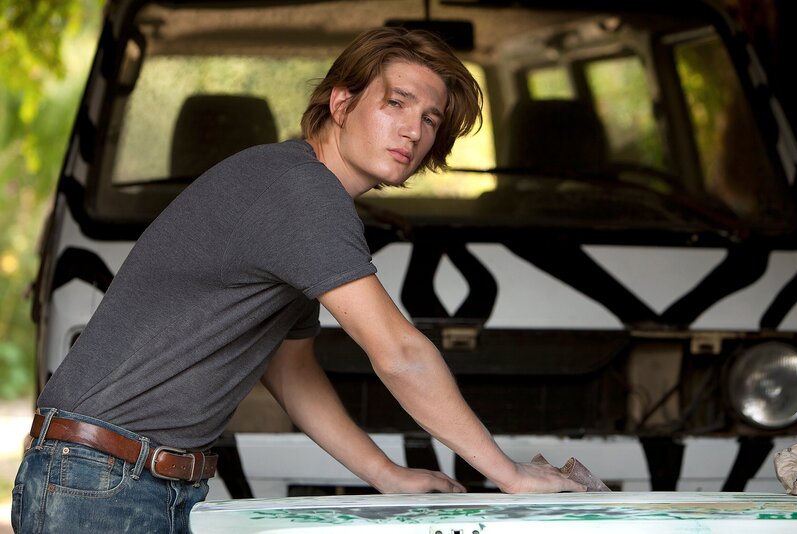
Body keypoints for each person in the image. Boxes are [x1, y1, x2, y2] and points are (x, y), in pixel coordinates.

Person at [12, 26, 585, 533]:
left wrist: (385, 473)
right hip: (101, 480)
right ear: (341, 102)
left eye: (430, 119)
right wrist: (509, 475)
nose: (413, 130)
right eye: (396, 103)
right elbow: (400, 354)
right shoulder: (302, 192)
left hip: (124, 478)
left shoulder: (293, 187)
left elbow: (291, 371)